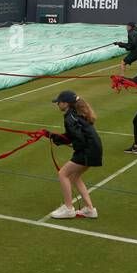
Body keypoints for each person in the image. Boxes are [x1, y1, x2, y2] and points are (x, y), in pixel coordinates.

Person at [47, 90, 102, 219]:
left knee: (63, 174)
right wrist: (52, 136)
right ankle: (89, 209)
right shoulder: (74, 114)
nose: (57, 104)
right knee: (75, 177)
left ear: (66, 103)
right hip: (94, 148)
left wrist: (73, 145)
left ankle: (69, 209)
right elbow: (72, 135)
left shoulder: (70, 118)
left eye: (59, 102)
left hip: (87, 150)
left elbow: (78, 139)